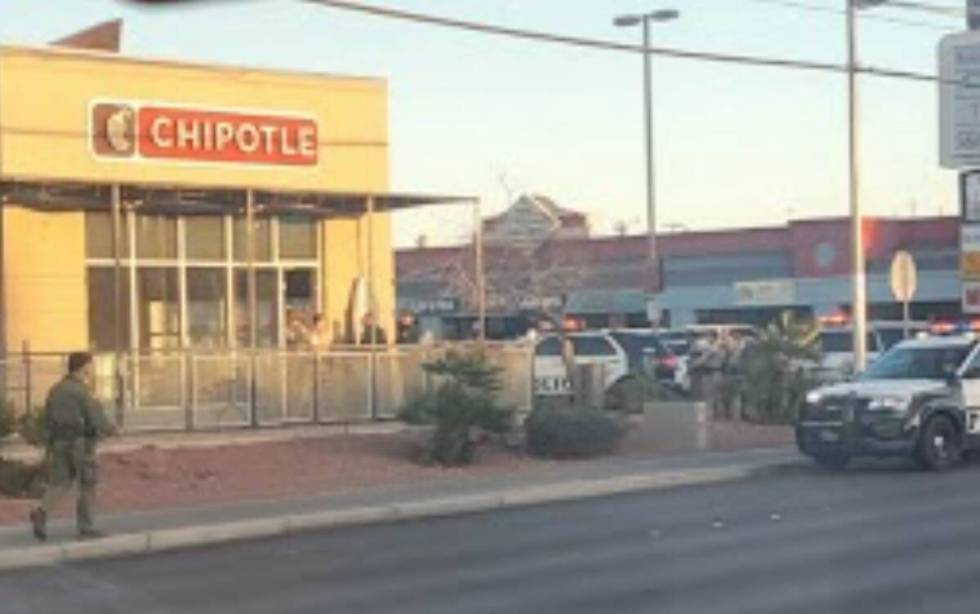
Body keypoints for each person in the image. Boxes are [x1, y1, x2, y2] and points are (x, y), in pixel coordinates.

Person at [29, 352, 118, 541]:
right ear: (83, 367)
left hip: (59, 443)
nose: (91, 370)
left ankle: (41, 511)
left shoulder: (56, 389)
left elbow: (47, 419)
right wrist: (110, 429)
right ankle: (85, 528)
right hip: (81, 444)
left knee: (60, 482)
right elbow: (95, 418)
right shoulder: (82, 391)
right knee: (88, 484)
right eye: (89, 366)